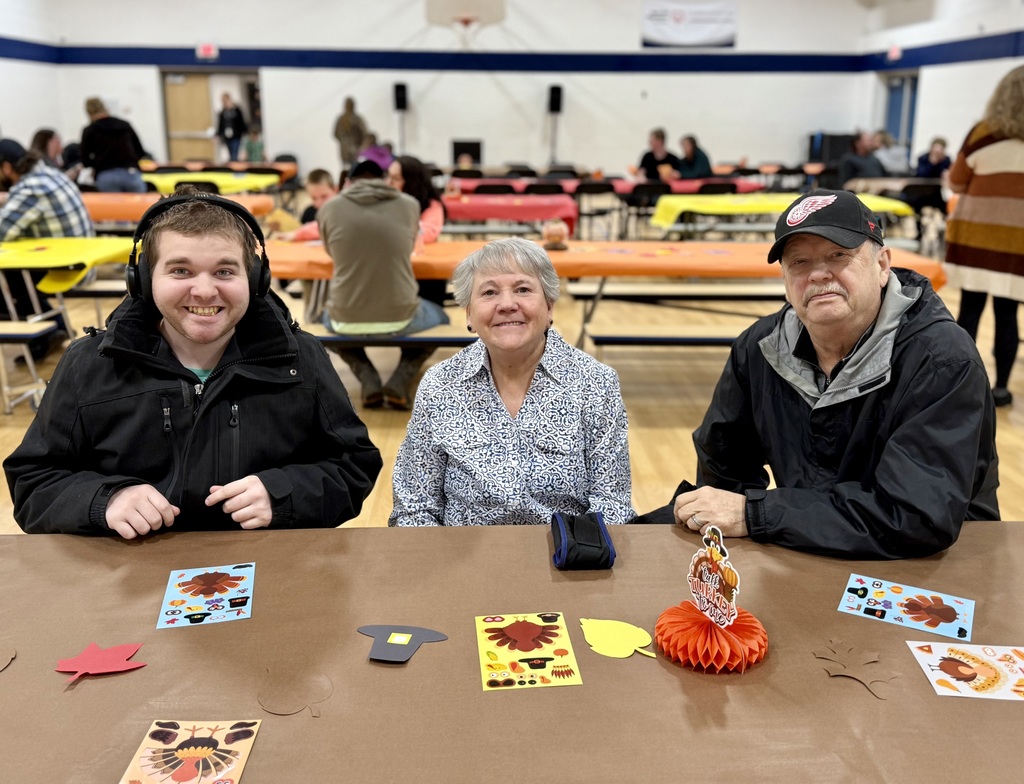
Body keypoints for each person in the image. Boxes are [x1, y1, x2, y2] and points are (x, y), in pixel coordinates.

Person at [4, 186, 382, 537]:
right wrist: (103, 501)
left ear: (255, 279)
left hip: (270, 572)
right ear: (143, 279)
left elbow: (353, 466)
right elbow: (33, 481)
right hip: (131, 581)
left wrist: (285, 495)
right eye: (180, 270)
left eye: (224, 271)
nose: (204, 290)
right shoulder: (88, 365)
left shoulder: (302, 359)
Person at [661, 189, 999, 559]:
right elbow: (722, 471)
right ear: (786, 279)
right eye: (799, 262)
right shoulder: (759, 348)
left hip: (936, 568)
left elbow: (915, 518)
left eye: (839, 255)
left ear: (883, 265)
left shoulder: (941, 360)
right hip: (804, 551)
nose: (819, 274)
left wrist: (756, 513)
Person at [390, 237, 634, 527]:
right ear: (469, 313)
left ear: (550, 308)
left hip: (568, 561)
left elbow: (613, 506)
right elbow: (413, 508)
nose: (507, 304)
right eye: (489, 292)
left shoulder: (595, 383)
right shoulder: (440, 385)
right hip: (462, 562)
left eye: (523, 289)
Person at [318, 160, 449, 409]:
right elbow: (409, 245)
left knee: (324, 319)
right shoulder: (409, 205)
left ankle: (367, 375)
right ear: (384, 179)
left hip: (345, 315)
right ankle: (401, 378)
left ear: (347, 182)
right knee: (440, 318)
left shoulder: (329, 209)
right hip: (401, 314)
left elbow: (331, 252)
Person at [945, 67, 1024, 407]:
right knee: (1008, 314)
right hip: (1018, 242)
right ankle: (1002, 388)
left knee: (970, 311)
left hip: (976, 237)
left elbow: (956, 182)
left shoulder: (982, 133)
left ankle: (962, 384)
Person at [0, 137, 92, 357]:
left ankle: (43, 334)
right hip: (81, 259)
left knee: (5, 279)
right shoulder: (47, 174)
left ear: (6, 167)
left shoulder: (31, 188)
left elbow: (3, 231)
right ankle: (54, 327)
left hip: (68, 270)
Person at [387, 155, 446, 306]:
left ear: (411, 183)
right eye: (387, 176)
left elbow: (428, 233)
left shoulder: (431, 205)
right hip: (392, 270)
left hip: (423, 277)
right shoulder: (383, 202)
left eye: (395, 179)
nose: (388, 183)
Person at [80, 97, 147, 193]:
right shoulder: (125, 125)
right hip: (130, 172)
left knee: (113, 207)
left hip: (106, 176)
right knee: (141, 208)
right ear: (105, 108)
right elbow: (140, 151)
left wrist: (97, 164)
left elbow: (85, 161)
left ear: (88, 113)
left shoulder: (89, 130)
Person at [272, 169, 338, 242]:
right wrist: (282, 229)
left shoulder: (341, 210)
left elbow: (327, 227)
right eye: (314, 198)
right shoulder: (309, 212)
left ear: (335, 190)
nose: (319, 203)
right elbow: (298, 231)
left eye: (324, 196)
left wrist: (297, 234)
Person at [333, 96, 368, 168]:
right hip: (351, 150)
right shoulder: (343, 119)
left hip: (350, 150)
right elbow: (336, 134)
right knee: (350, 170)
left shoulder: (355, 119)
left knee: (351, 169)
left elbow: (365, 134)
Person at [216, 93, 248, 162]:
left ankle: (235, 165)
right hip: (227, 136)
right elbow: (220, 124)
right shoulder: (222, 112)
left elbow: (241, 121)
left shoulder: (236, 110)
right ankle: (233, 163)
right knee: (230, 153)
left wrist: (245, 131)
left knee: (234, 153)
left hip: (236, 135)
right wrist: (218, 134)